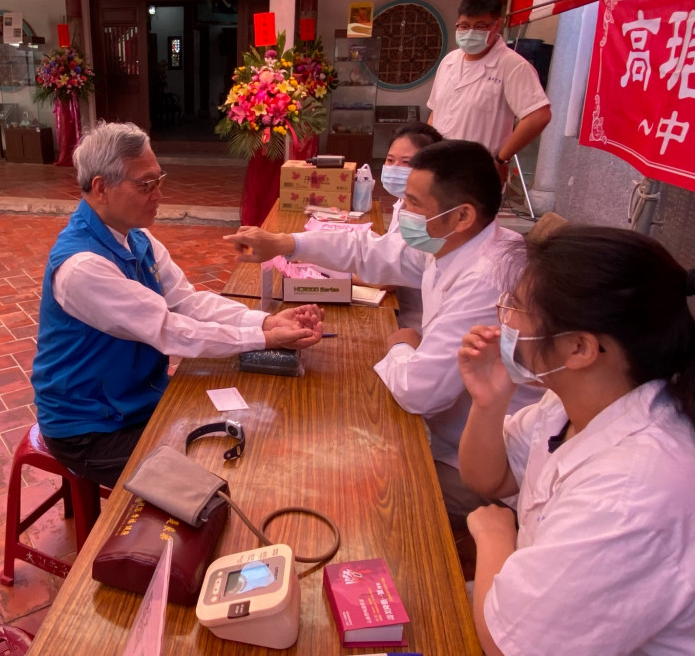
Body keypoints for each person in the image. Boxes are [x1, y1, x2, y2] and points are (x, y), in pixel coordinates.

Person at [224, 140, 543, 525]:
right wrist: (284, 243)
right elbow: (372, 252)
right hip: (449, 430)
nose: (401, 211)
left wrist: (401, 345)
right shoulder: (456, 244)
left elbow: (419, 392)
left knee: (352, 481)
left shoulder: (488, 277)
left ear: (462, 216)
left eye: (412, 203)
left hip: (479, 463)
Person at [31, 121, 324, 487]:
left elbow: (187, 303)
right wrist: (265, 339)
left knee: (242, 427)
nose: (158, 194)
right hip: (92, 426)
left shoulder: (136, 238)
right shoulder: (83, 267)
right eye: (145, 185)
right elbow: (170, 332)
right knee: (217, 474)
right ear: (101, 188)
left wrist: (264, 322)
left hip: (138, 397)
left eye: (159, 180)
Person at [457, 226, 695, 654]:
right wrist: (489, 401)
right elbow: (489, 480)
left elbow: (508, 643)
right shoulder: (571, 404)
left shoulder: (633, 491)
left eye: (515, 307)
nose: (502, 319)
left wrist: (495, 534)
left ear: (580, 348)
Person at [427, 0, 551, 175]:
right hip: (438, 164)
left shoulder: (512, 65)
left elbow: (538, 116)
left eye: (480, 26)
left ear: (496, 25)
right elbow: (435, 112)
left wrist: (501, 159)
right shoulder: (449, 61)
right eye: (464, 26)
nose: (470, 33)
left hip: (478, 168)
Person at [372, 122, 443, 330]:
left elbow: (387, 279)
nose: (395, 169)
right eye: (390, 160)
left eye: (406, 162)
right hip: (402, 311)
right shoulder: (402, 203)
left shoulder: (428, 216)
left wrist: (331, 272)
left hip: (415, 326)